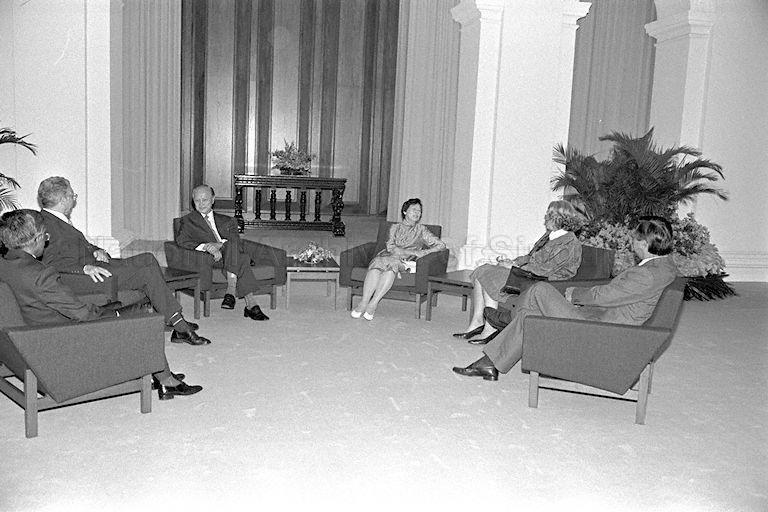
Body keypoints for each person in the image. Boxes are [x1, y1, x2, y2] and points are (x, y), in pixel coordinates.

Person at [0, 209, 202, 399]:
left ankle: (159, 374)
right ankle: (166, 380)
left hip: (35, 334)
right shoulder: (40, 274)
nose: (47, 239)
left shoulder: (6, 264)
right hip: (60, 339)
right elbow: (82, 315)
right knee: (142, 318)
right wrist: (115, 315)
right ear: (34, 240)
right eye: (45, 236)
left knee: (126, 309)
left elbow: (61, 304)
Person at [453, 216, 678, 381]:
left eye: (635, 239)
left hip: (601, 329)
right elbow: (617, 294)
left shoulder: (646, 275)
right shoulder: (663, 267)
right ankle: (490, 363)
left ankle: (505, 319)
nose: (632, 243)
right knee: (529, 315)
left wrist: (573, 294)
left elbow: (605, 296)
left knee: (539, 290)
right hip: (603, 319)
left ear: (644, 243)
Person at [37, 176, 212, 346]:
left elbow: (79, 244)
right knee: (146, 271)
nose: (74, 200)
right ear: (62, 199)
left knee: (147, 258)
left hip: (96, 266)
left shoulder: (56, 219)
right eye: (72, 196)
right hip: (86, 277)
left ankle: (171, 317)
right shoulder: (46, 224)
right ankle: (179, 325)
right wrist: (84, 268)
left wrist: (97, 250)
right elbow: (49, 262)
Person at [453, 200, 583, 345]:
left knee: (490, 274)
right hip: (531, 274)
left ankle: (490, 329)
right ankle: (477, 321)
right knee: (483, 269)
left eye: (549, 214)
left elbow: (544, 270)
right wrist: (514, 262)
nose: (545, 217)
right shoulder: (551, 235)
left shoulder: (569, 243)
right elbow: (531, 257)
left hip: (545, 283)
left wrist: (513, 268)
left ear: (560, 218)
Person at [175, 184, 268, 321]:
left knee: (233, 247)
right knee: (241, 258)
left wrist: (219, 245)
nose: (201, 204)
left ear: (213, 199)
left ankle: (236, 296)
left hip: (230, 256)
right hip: (208, 260)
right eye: (197, 201)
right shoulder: (188, 221)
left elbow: (236, 241)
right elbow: (181, 241)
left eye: (205, 200)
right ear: (193, 202)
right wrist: (206, 247)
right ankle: (247, 303)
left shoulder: (228, 220)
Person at [351, 198, 446, 320]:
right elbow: (391, 247)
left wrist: (422, 253)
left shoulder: (422, 230)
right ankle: (364, 303)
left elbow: (441, 245)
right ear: (405, 211)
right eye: (414, 210)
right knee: (378, 266)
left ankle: (373, 303)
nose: (417, 213)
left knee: (392, 266)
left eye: (419, 211)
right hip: (387, 256)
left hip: (406, 262)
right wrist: (411, 252)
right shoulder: (395, 227)